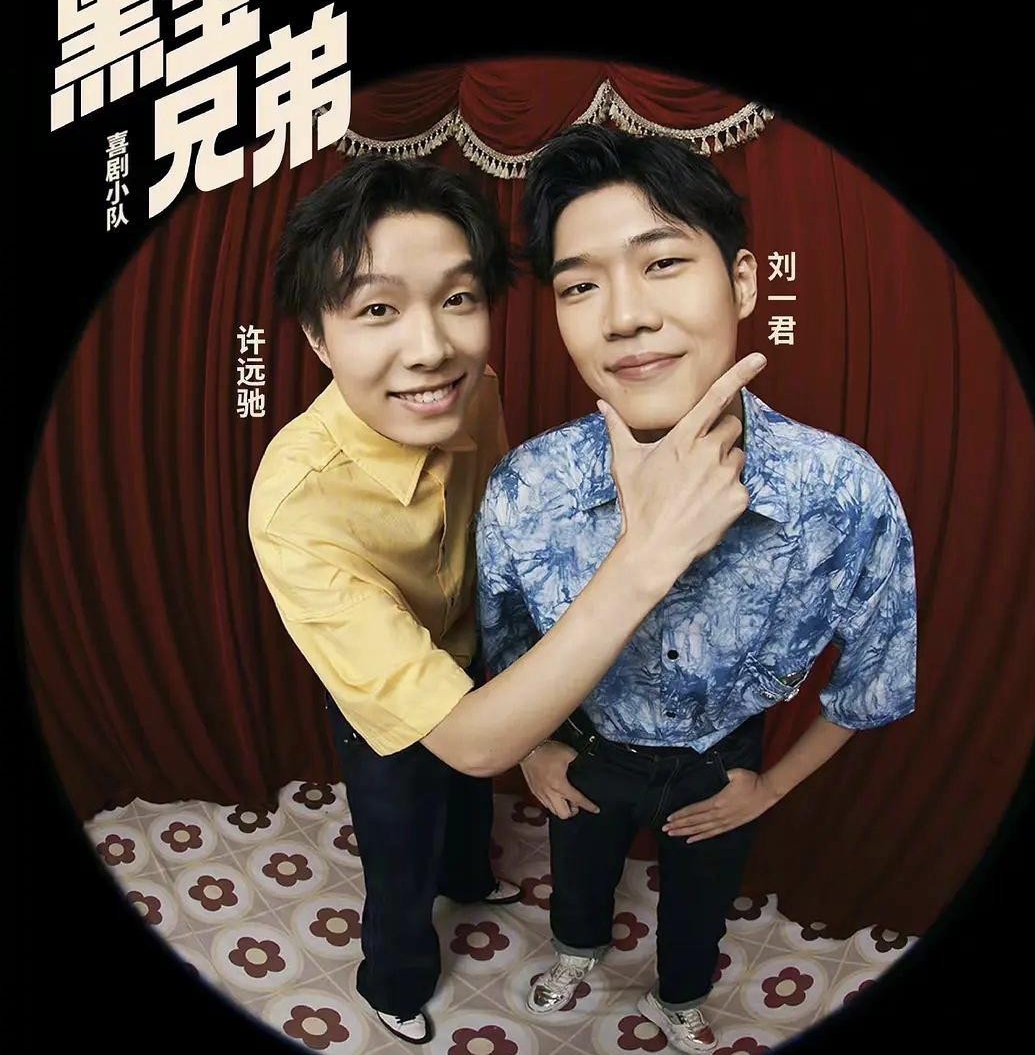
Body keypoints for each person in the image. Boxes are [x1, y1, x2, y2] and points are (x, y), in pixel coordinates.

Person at [248, 154, 767, 1044]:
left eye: (458, 298)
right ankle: (394, 979)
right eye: (377, 310)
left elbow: (500, 523)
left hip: (477, 641)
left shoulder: (469, 391)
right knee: (399, 830)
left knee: (466, 813)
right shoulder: (295, 510)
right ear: (318, 339)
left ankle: (470, 877)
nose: (431, 349)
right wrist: (646, 555)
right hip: (390, 686)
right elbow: (470, 738)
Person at [476, 125, 917, 1055]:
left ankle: (681, 1002)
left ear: (744, 283)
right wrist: (538, 750)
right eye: (580, 286)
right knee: (578, 885)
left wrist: (770, 787)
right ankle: (578, 956)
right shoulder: (527, 488)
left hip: (722, 761)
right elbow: (502, 637)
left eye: (664, 263)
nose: (624, 317)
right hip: (590, 748)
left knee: (698, 912)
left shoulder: (843, 492)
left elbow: (875, 677)